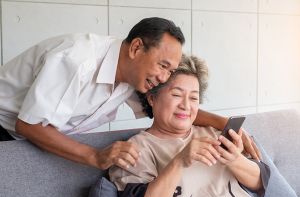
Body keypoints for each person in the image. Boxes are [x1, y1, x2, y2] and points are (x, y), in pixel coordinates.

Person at [0, 17, 260, 170]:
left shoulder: (135, 78)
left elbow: (171, 108)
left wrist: (226, 124)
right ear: (136, 48)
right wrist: (94, 155)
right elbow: (28, 124)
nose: (164, 78)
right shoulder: (76, 59)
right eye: (163, 66)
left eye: (170, 70)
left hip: (41, 137)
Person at [109, 55, 271, 197]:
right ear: (152, 98)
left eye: (194, 98)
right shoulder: (135, 150)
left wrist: (235, 160)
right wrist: (180, 161)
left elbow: (258, 183)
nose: (186, 105)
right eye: (177, 95)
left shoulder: (214, 132)